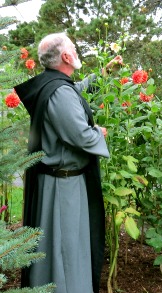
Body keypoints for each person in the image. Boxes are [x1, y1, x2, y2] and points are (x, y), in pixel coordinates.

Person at [14, 32, 122, 293]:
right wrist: (100, 132)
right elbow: (79, 135)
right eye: (74, 47)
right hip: (64, 187)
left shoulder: (54, 85)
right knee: (66, 248)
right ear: (65, 56)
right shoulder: (59, 92)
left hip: (62, 183)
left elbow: (78, 92)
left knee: (59, 246)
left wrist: (106, 72)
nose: (76, 51)